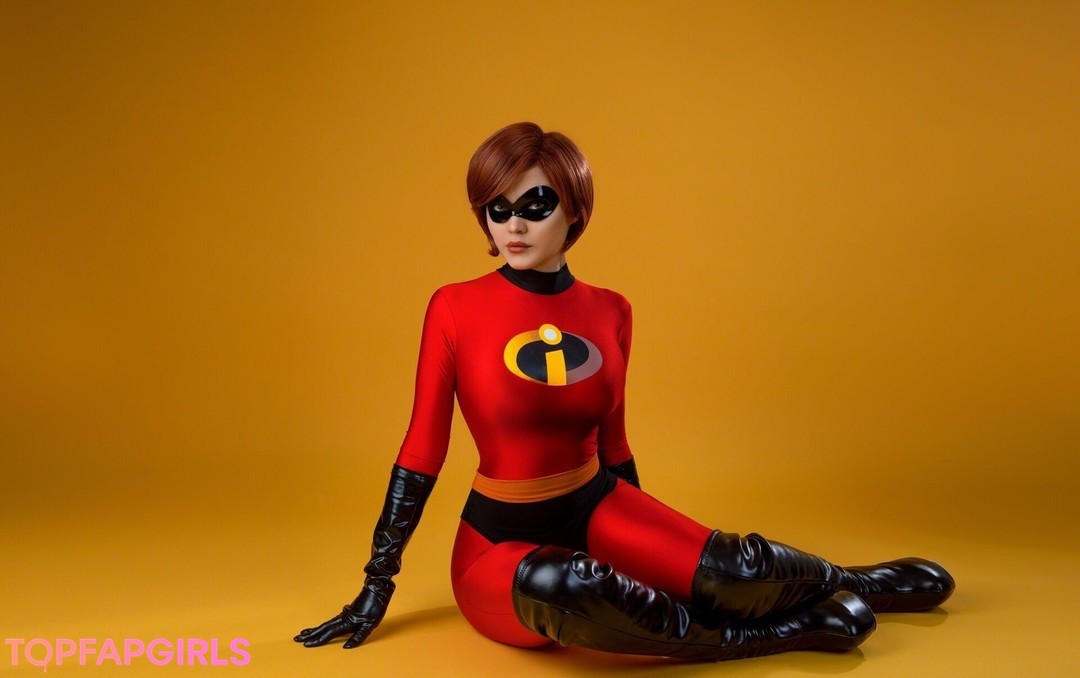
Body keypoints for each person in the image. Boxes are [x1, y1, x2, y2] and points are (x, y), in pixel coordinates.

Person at [294, 122, 954, 661]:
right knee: (564, 588)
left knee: (734, 569)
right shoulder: (454, 308)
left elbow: (614, 445)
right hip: (497, 547)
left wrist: (672, 557)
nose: (514, 226)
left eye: (535, 205)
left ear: (574, 210)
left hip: (597, 505)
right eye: (498, 209)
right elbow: (422, 449)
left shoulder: (611, 310)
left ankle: (858, 581)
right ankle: (780, 634)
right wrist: (378, 580)